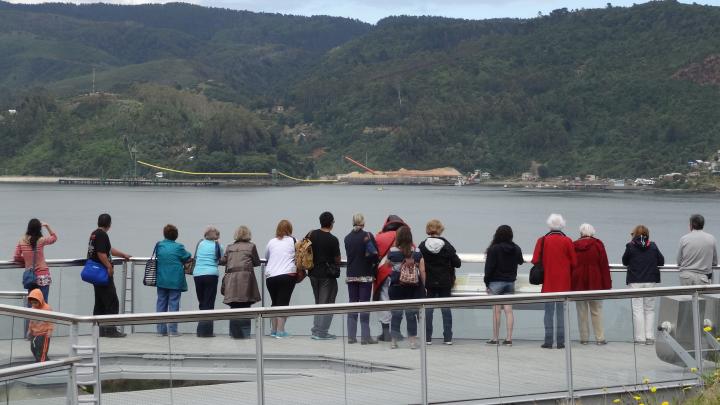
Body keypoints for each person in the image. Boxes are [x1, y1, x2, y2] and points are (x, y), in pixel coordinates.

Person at [532, 214, 577, 349]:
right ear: (562, 225)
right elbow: (574, 262)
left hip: (548, 283)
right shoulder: (568, 241)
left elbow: (535, 260)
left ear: (549, 225)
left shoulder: (543, 240)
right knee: (561, 313)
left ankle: (548, 341)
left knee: (548, 313)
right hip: (564, 283)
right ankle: (561, 342)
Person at [87, 213, 131, 338]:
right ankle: (111, 330)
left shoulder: (94, 234)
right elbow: (101, 253)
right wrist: (109, 266)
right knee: (112, 301)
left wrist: (123, 255)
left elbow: (108, 249)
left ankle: (99, 330)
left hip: (96, 273)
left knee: (100, 302)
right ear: (109, 224)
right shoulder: (102, 235)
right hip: (102, 273)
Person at [419, 219, 461, 345]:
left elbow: (418, 262)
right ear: (440, 229)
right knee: (446, 308)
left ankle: (427, 338)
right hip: (445, 281)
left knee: (428, 309)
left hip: (429, 281)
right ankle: (447, 337)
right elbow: (457, 263)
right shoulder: (447, 245)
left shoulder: (422, 245)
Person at [623, 225, 664, 345]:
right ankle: (649, 336)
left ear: (634, 234)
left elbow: (624, 261)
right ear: (647, 234)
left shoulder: (630, 246)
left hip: (635, 281)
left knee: (637, 310)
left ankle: (640, 338)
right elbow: (661, 261)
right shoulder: (653, 245)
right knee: (650, 309)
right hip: (650, 281)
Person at [572, 223, 611, 345]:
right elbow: (604, 265)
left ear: (581, 233)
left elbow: (571, 264)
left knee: (581, 311)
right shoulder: (598, 245)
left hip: (578, 282)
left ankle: (584, 338)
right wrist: (607, 285)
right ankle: (600, 338)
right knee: (596, 310)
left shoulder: (574, 245)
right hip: (595, 281)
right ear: (592, 232)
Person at [484, 225, 523, 347]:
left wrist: (487, 282)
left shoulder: (494, 249)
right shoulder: (516, 248)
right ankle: (509, 339)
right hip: (510, 282)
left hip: (495, 282)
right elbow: (521, 261)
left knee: (496, 311)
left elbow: (489, 268)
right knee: (509, 311)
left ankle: (495, 339)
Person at [388, 226, 426, 349]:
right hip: (413, 287)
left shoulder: (393, 251)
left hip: (396, 286)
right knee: (411, 315)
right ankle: (412, 342)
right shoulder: (417, 252)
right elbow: (422, 270)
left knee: (396, 314)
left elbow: (388, 265)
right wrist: (423, 285)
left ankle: (393, 341)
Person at [220, 225, 261, 339]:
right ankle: (245, 333)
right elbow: (257, 262)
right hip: (245, 279)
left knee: (233, 307)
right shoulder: (251, 246)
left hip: (231, 279)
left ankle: (234, 333)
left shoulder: (229, 247)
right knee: (245, 305)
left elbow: (223, 261)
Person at [344, 213, 378, 345]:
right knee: (364, 305)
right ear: (363, 223)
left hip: (351, 274)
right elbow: (374, 253)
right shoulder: (366, 236)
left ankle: (351, 336)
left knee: (352, 304)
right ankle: (365, 336)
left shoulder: (347, 238)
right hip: (365, 274)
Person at [373, 215, 409, 342]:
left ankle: (385, 333)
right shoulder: (406, 238)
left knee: (383, 301)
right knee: (399, 303)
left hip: (383, 274)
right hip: (401, 275)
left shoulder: (379, 237)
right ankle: (397, 332)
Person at [307, 211, 341, 340]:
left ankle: (316, 329)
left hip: (313, 273)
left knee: (318, 302)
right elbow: (337, 259)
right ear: (331, 223)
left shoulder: (312, 234)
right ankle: (322, 332)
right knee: (327, 303)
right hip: (327, 275)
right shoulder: (333, 240)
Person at [155, 224, 192, 337]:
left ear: (164, 234)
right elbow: (187, 256)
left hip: (161, 279)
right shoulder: (179, 247)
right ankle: (173, 330)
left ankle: (161, 330)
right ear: (176, 236)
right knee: (174, 304)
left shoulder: (159, 245)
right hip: (175, 279)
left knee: (161, 303)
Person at [264, 220, 297, 338]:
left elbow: (267, 256)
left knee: (275, 303)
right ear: (290, 229)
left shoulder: (271, 242)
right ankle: (280, 331)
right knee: (283, 304)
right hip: (287, 275)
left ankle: (273, 330)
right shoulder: (293, 241)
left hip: (270, 276)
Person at [14, 219, 57, 302]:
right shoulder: (41, 240)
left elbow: (16, 257)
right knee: (43, 303)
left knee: (32, 304)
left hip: (30, 278)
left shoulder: (22, 241)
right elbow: (54, 238)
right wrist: (47, 226)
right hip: (43, 275)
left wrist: (26, 261)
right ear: (39, 229)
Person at [193, 226, 224, 337]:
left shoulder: (200, 243)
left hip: (197, 275)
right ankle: (206, 332)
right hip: (211, 275)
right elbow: (221, 259)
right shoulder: (218, 246)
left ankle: (201, 330)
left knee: (202, 303)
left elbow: (196, 256)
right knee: (209, 303)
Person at [677, 214, 718, 286]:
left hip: (686, 276)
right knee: (702, 297)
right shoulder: (711, 238)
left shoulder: (684, 239)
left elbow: (679, 261)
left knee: (686, 297)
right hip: (703, 277)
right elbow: (715, 262)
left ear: (691, 225)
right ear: (703, 225)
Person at [27, 288, 54, 362]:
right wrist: (29, 330)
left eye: (35, 302)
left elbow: (50, 321)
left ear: (40, 300)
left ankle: (41, 363)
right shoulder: (33, 308)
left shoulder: (47, 308)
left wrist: (50, 331)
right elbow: (31, 321)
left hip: (44, 333)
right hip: (35, 333)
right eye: (32, 303)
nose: (34, 304)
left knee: (42, 350)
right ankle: (43, 360)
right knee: (33, 348)